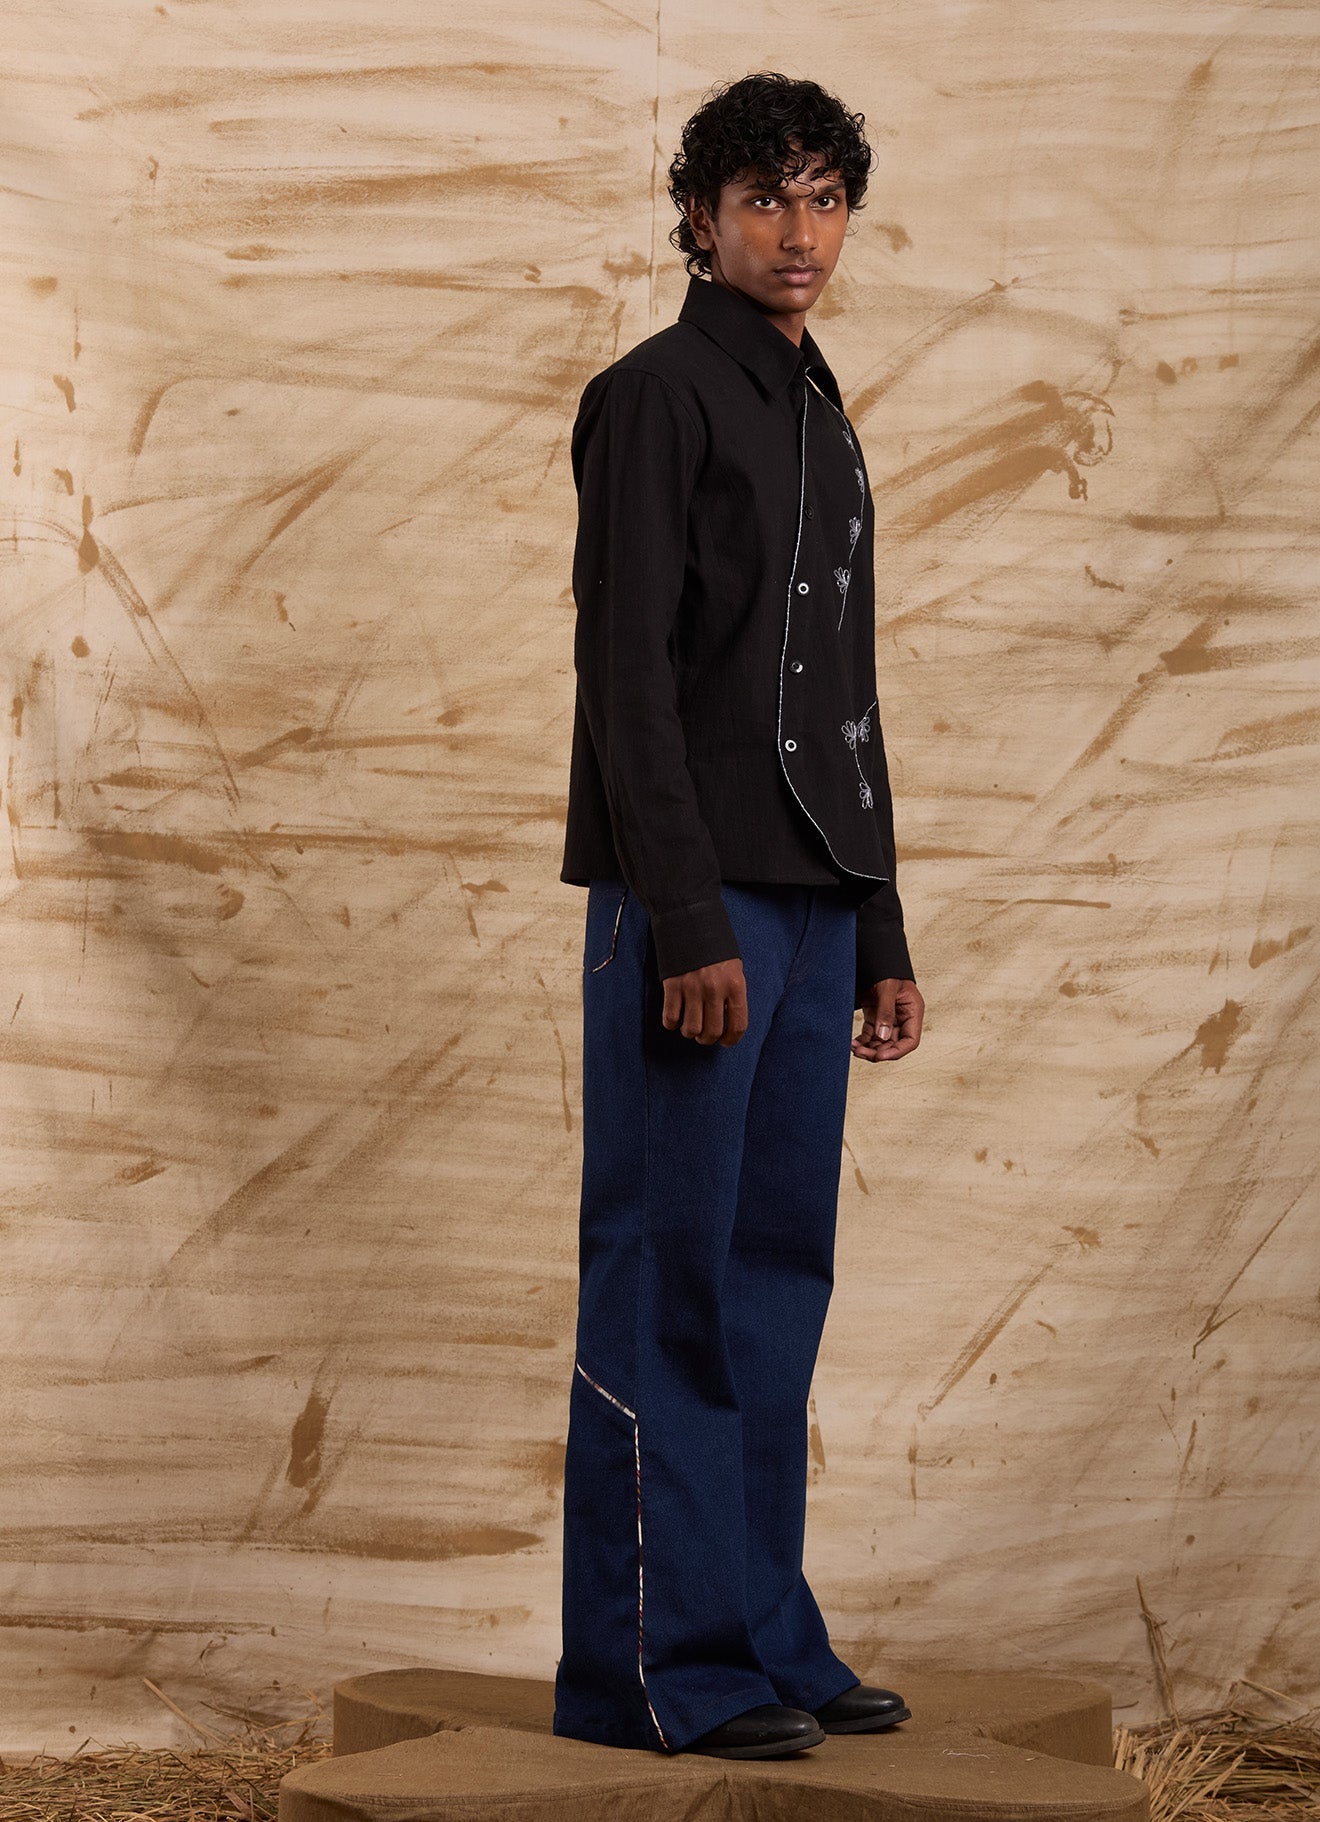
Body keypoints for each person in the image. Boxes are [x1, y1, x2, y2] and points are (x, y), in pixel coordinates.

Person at [554, 70, 925, 1761]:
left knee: (778, 1276)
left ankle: (764, 1633)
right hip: (692, 907)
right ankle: (655, 1667)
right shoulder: (654, 396)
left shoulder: (819, 411)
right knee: (670, 1280)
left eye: (824, 198)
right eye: (764, 198)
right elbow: (624, 677)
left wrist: (880, 925)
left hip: (812, 905)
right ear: (698, 218)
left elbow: (843, 694)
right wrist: (685, 914)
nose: (798, 232)